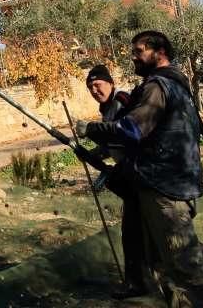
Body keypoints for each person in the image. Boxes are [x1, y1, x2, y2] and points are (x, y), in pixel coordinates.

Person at [75, 31, 203, 308]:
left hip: (163, 186)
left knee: (186, 267)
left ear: (160, 52)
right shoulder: (174, 83)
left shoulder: (156, 88)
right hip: (159, 181)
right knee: (160, 257)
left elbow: (131, 129)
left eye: (139, 50)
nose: (133, 56)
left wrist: (92, 130)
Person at [84, 64, 151, 300]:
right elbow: (112, 144)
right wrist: (94, 154)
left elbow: (127, 134)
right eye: (90, 87)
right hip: (131, 178)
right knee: (136, 234)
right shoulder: (106, 108)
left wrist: (95, 131)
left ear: (110, 83)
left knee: (145, 235)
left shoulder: (122, 100)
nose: (94, 89)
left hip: (144, 177)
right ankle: (138, 283)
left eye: (98, 84)